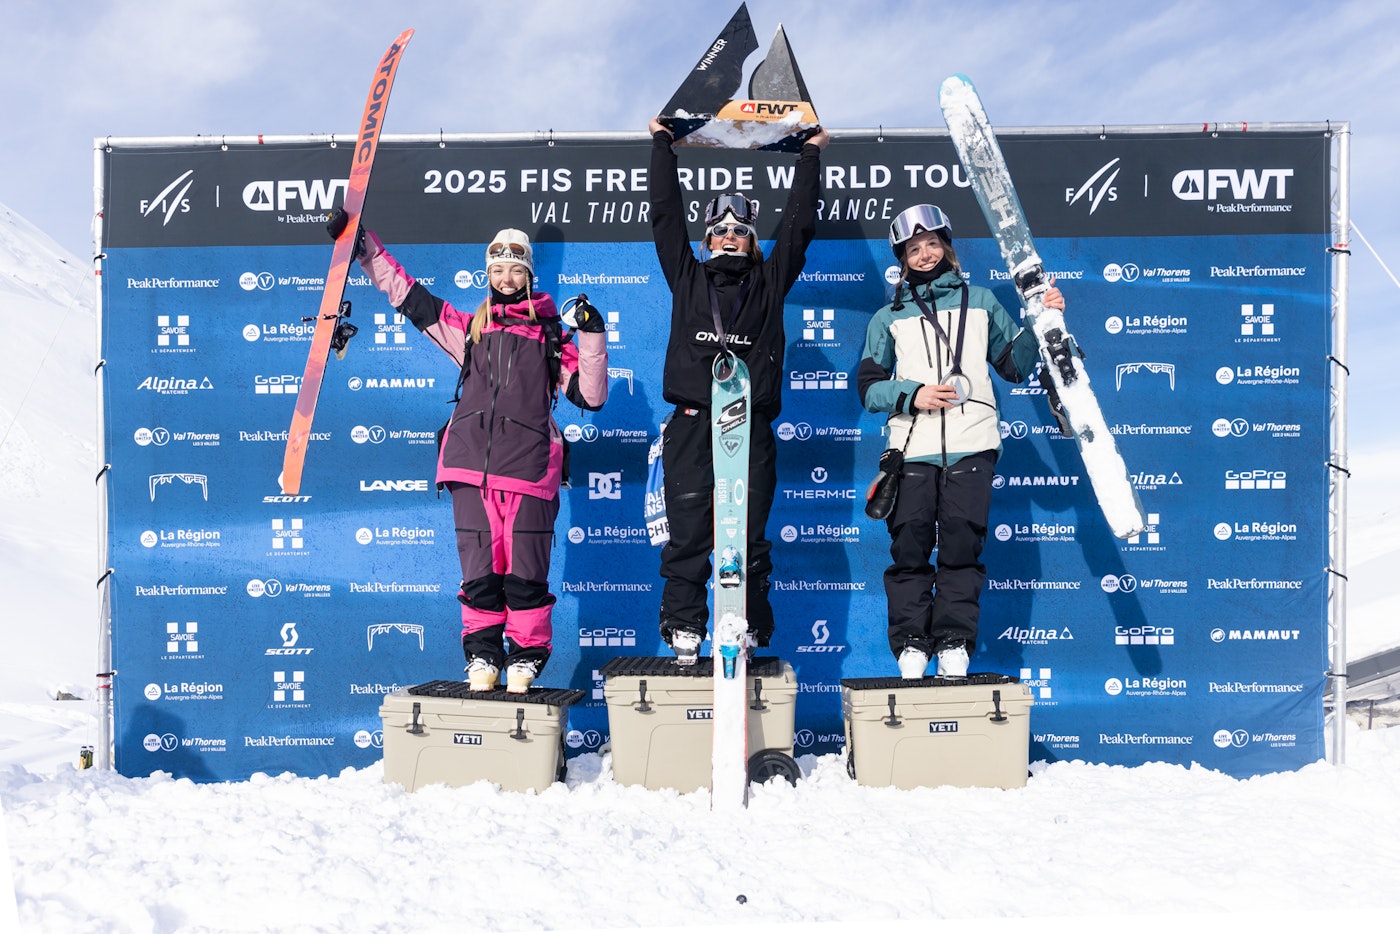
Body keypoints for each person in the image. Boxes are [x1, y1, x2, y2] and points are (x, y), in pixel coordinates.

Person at [333, 210, 610, 692]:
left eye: (516, 270)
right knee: (480, 574)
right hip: (469, 468)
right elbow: (409, 297)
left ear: (529, 275)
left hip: (528, 471)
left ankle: (525, 656)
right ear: (488, 275)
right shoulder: (470, 330)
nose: (506, 278)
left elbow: (591, 396)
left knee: (525, 574)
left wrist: (591, 334)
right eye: (497, 269)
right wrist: (365, 250)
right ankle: (482, 654)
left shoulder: (551, 336)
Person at [646, 118, 829, 664]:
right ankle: (684, 628)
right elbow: (665, 215)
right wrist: (662, 146)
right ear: (707, 241)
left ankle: (745, 623)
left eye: (742, 231)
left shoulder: (769, 284)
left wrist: (811, 157)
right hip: (692, 424)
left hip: (750, 425)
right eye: (721, 230)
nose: (731, 237)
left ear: (752, 242)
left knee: (747, 537)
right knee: (688, 535)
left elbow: (798, 226)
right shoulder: (687, 278)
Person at [856, 204, 1065, 679]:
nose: (925, 254)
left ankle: (953, 640)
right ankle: (912, 643)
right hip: (912, 447)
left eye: (932, 243)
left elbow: (1014, 366)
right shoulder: (888, 316)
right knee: (909, 547)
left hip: (973, 444)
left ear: (947, 248)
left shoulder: (982, 301)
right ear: (902, 259)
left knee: (960, 546)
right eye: (914, 249)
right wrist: (912, 394)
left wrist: (1043, 319)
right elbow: (869, 388)